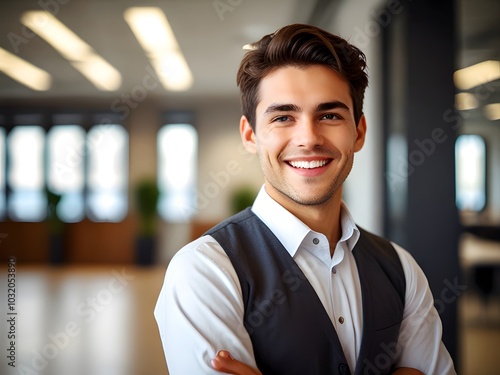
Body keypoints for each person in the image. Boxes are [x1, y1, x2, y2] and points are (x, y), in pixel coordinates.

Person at [154, 23, 457, 375]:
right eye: (283, 117)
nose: (308, 138)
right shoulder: (206, 271)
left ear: (357, 132)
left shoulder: (401, 269)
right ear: (250, 135)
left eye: (329, 115)